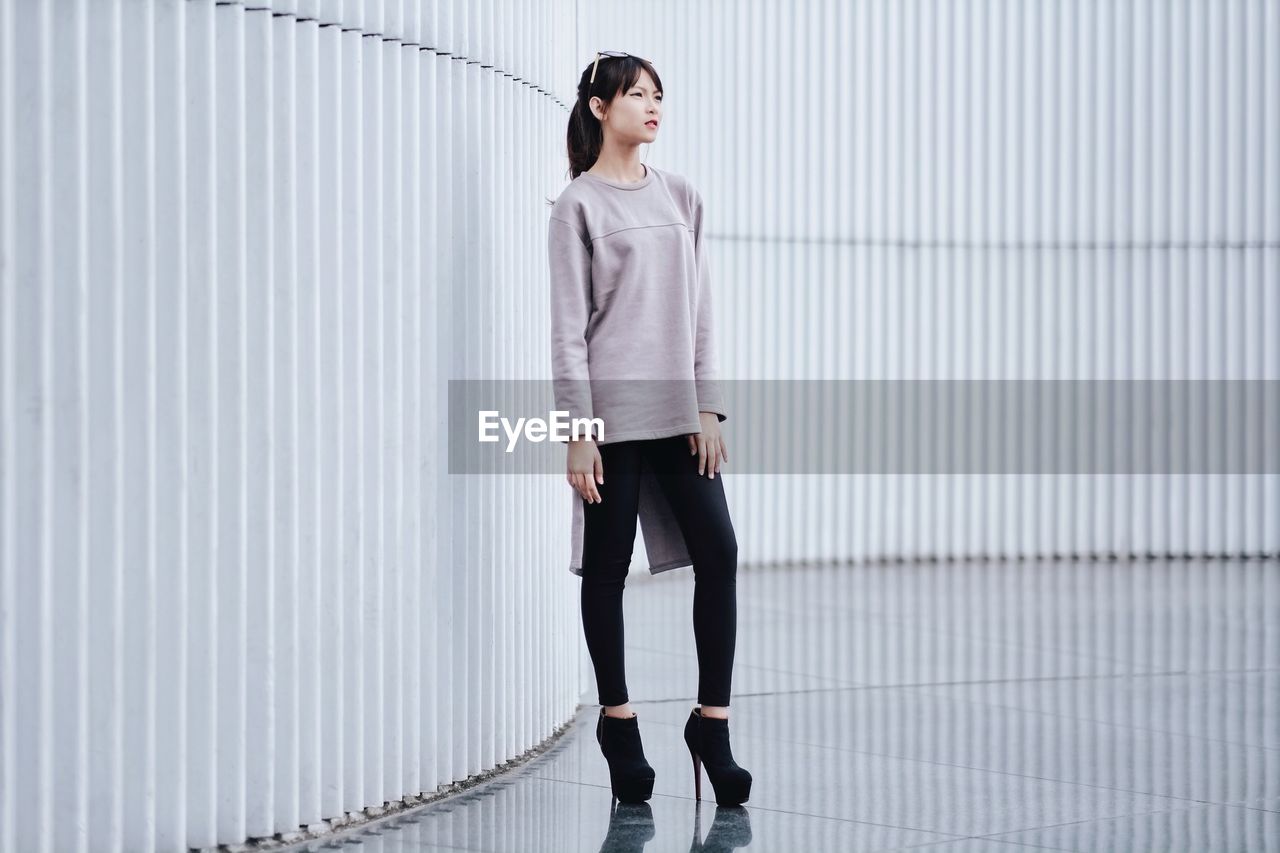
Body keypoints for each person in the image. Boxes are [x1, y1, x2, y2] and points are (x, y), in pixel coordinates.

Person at [546, 51, 752, 807]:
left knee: (720, 552)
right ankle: (619, 719)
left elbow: (701, 313)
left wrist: (708, 405)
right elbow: (570, 330)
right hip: (610, 420)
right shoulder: (579, 206)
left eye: (658, 95)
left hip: (677, 414)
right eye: (637, 94)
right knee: (606, 571)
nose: (653, 106)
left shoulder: (683, 197)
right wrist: (578, 429)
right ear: (601, 108)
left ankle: (713, 723)